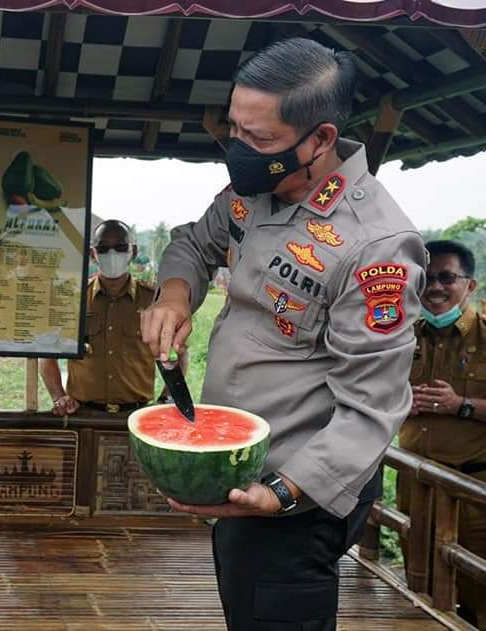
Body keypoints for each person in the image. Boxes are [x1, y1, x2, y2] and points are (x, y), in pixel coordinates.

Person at [140, 38, 425, 630]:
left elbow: (371, 409)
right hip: (240, 477)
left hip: (296, 497)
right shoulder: (258, 187)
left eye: (260, 140)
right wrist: (174, 294)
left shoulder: (376, 246)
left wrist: (284, 493)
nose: (240, 151)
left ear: (320, 138)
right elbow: (195, 242)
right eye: (235, 131)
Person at [398, 240, 485, 628]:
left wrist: (461, 405)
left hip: (472, 492)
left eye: (446, 277)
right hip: (414, 487)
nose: (434, 286)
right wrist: (400, 404)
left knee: (476, 593)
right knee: (420, 591)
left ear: (470, 286)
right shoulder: (401, 338)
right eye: (427, 278)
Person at [40, 219, 180, 415]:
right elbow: (47, 352)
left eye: (121, 247)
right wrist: (59, 396)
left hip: (136, 415)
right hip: (83, 414)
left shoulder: (154, 301)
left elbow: (177, 353)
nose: (112, 254)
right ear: (92, 254)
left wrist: (166, 399)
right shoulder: (73, 298)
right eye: (103, 248)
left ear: (134, 252)